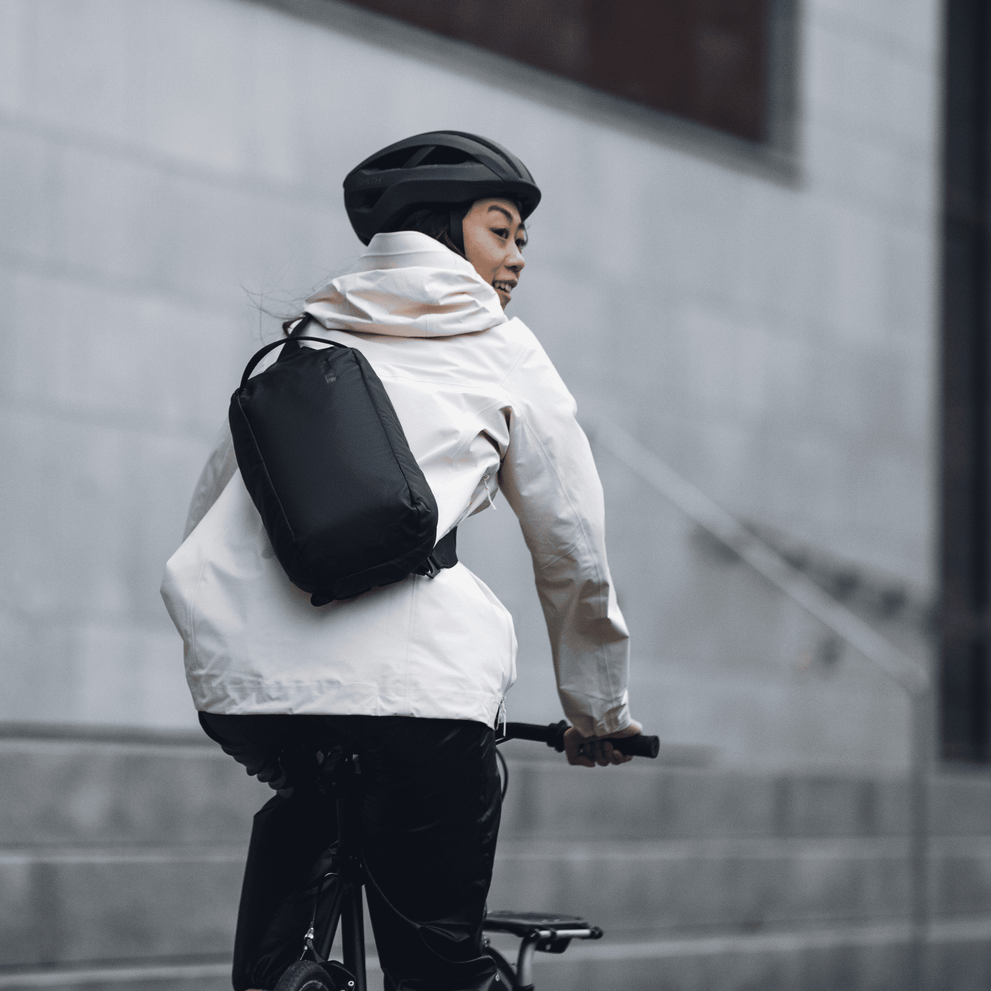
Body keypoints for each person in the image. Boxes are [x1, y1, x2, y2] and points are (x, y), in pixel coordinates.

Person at [161, 131, 640, 991]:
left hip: (252, 696)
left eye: (524, 239)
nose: (519, 257)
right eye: (503, 231)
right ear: (444, 230)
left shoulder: (300, 345)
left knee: (313, 810)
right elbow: (571, 546)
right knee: (435, 962)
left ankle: (281, 972)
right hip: (419, 697)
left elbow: (208, 513)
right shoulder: (501, 346)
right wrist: (597, 711)